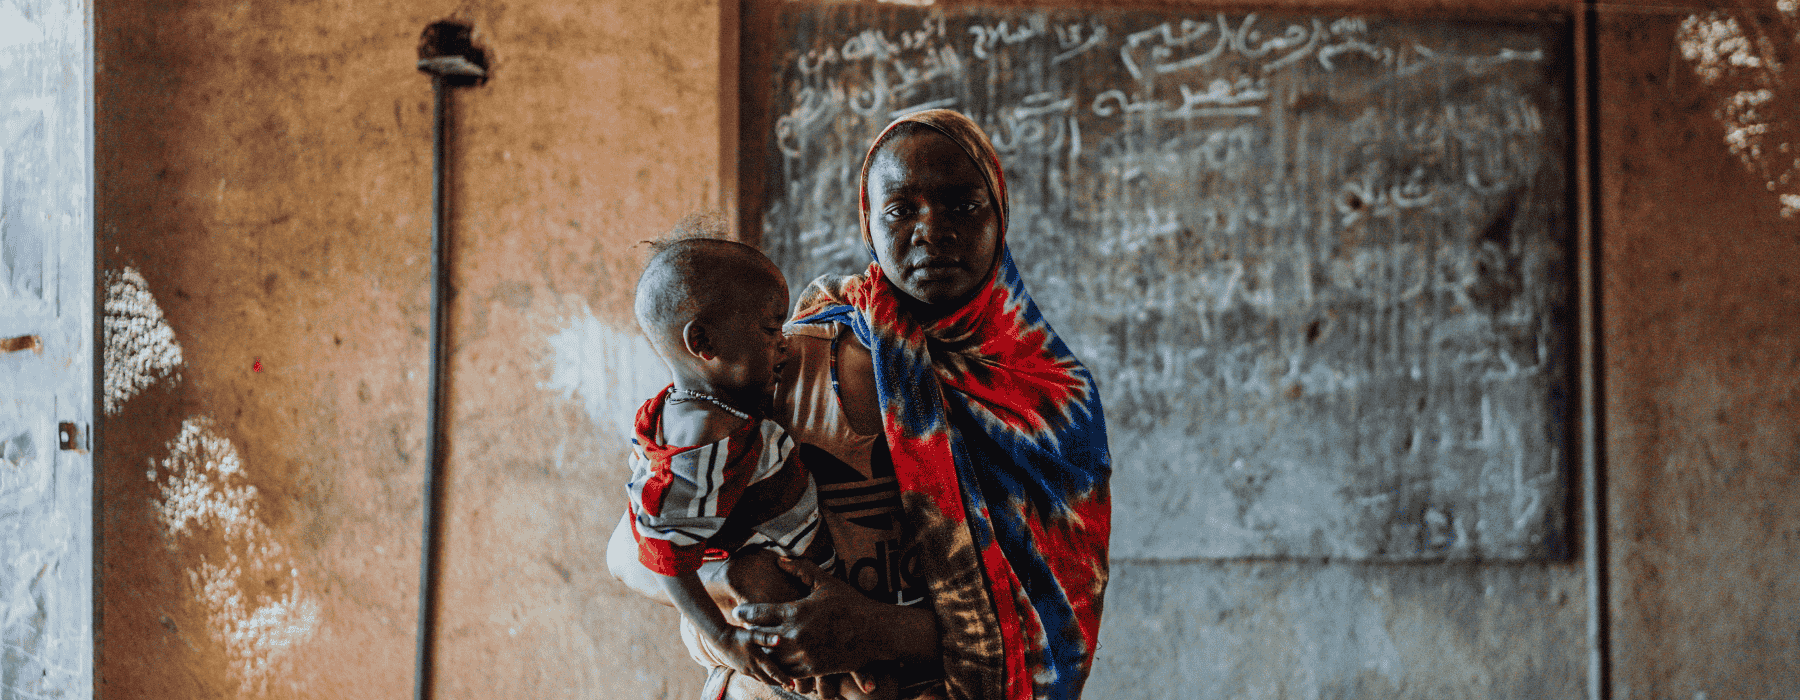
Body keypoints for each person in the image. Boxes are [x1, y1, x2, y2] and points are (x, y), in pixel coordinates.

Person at [612, 110, 1112, 700]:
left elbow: (1062, 619)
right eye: (901, 209)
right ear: (867, 223)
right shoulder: (781, 362)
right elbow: (633, 551)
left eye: (962, 204)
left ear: (999, 216)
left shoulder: (1049, 402)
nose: (933, 230)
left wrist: (879, 632)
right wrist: (757, 595)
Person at [626, 236, 874, 698]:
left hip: (807, 583)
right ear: (702, 342)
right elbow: (662, 551)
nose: (784, 344)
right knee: (851, 686)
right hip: (776, 589)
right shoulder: (702, 438)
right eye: (769, 331)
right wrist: (722, 637)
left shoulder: (712, 410)